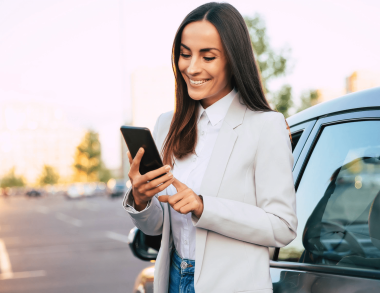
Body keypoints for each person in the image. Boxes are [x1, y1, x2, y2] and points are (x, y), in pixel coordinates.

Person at [123, 2, 297, 293]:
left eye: (208, 56)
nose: (192, 68)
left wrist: (204, 206)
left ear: (233, 59)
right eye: (185, 54)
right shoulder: (167, 124)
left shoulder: (265, 126)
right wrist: (141, 199)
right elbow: (156, 228)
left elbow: (282, 226)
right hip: (174, 278)